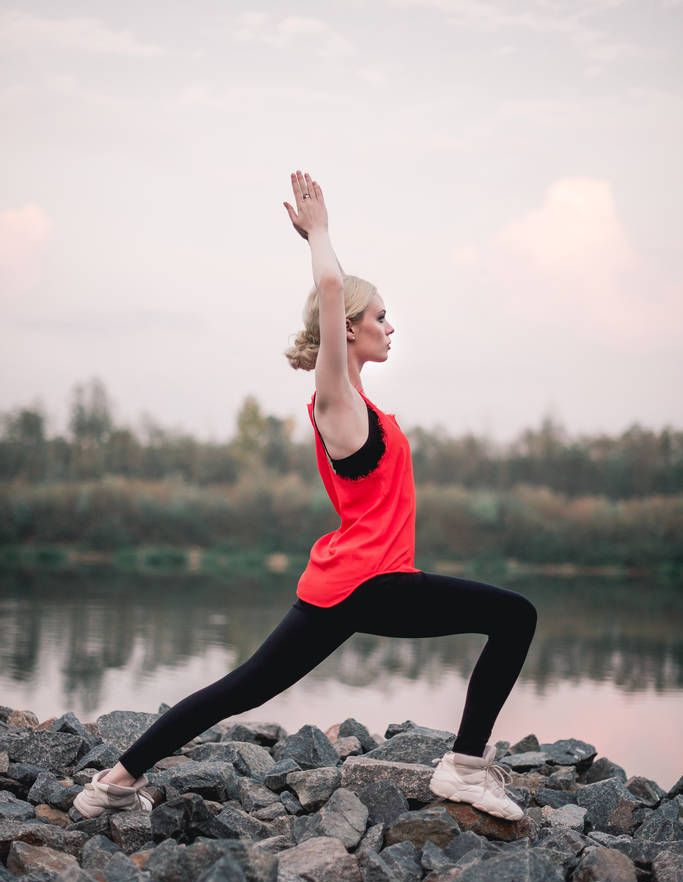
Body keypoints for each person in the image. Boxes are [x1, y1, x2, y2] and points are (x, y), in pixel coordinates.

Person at [74, 170, 537, 823]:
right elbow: (328, 290)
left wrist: (327, 251)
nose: (390, 326)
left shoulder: (356, 400)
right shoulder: (337, 401)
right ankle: (462, 768)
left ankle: (111, 783)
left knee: (241, 687)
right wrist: (319, 234)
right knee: (515, 615)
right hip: (373, 580)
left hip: (344, 581)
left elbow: (335, 296)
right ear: (347, 329)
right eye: (379, 316)